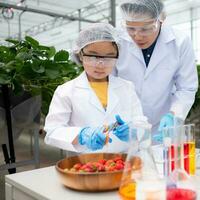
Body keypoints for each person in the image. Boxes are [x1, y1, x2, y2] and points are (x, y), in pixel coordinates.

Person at [44, 23, 147, 153]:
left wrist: (133, 130)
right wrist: (82, 135)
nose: (100, 64)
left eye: (109, 57)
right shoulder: (65, 91)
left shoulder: (127, 87)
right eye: (93, 56)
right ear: (80, 54)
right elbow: (52, 132)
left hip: (124, 161)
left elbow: (140, 121)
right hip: (86, 164)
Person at [115, 0, 198, 136]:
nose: (137, 36)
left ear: (161, 19)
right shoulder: (117, 41)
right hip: (125, 124)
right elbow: (108, 84)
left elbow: (187, 88)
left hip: (163, 125)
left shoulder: (180, 42)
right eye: (130, 28)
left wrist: (173, 115)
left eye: (146, 29)